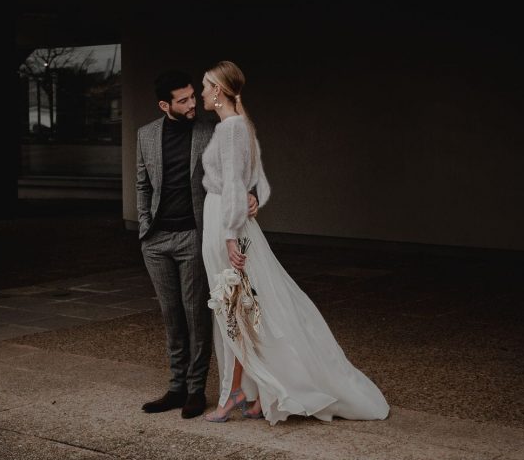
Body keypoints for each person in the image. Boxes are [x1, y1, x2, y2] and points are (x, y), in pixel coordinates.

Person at [200, 61, 389, 424]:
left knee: (235, 312)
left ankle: (232, 396)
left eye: (207, 86)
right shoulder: (236, 126)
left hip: (225, 225)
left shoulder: (231, 129)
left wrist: (228, 237)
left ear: (219, 90)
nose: (204, 92)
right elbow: (249, 183)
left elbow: (237, 186)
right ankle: (257, 394)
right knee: (242, 311)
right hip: (223, 220)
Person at [137, 69, 257, 419]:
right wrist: (145, 227)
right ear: (165, 105)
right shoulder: (145, 135)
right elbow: (142, 185)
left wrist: (253, 195)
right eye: (184, 100)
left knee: (196, 315)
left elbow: (239, 167)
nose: (193, 104)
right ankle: (175, 387)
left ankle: (195, 389)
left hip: (194, 234)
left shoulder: (210, 131)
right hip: (156, 241)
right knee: (170, 314)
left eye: (194, 96)